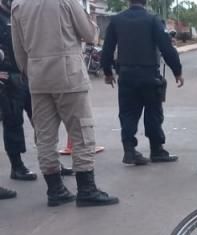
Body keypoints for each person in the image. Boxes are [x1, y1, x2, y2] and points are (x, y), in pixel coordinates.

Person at [11, 0, 118, 207]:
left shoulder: (18, 4)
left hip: (38, 78)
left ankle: (55, 190)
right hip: (69, 75)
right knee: (81, 132)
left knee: (45, 136)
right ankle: (86, 189)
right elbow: (89, 34)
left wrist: (30, 71)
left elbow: (18, 48)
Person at [101, 0, 184, 166]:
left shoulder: (117, 20)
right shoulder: (153, 20)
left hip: (126, 75)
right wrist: (177, 71)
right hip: (149, 75)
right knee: (153, 112)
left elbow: (107, 48)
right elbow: (166, 47)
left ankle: (130, 151)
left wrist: (108, 72)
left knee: (128, 114)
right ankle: (157, 150)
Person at [0, 0, 36, 182]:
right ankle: (17, 166)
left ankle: (50, 161)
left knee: (42, 120)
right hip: (8, 77)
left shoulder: (22, 12)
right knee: (13, 122)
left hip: (28, 73)